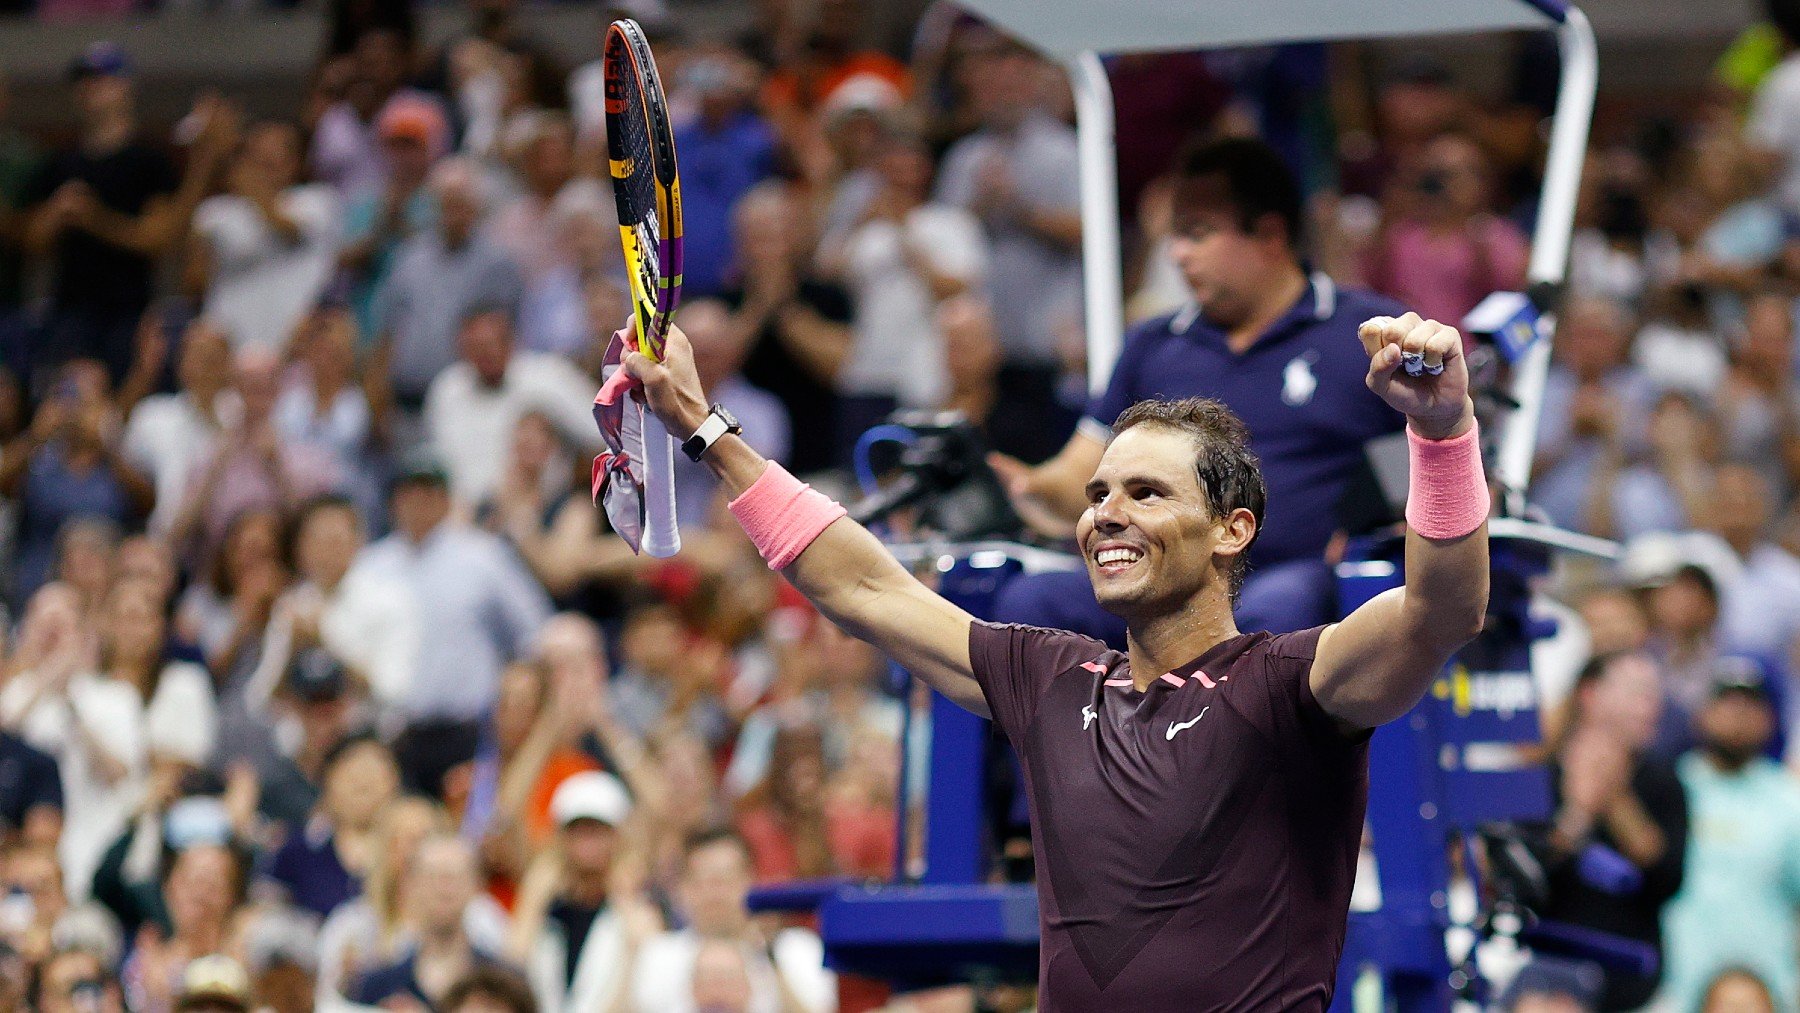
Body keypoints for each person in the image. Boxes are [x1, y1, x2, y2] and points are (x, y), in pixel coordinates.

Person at [620, 296, 1489, 1007]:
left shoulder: (1287, 684)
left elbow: (1440, 609)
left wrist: (1443, 431)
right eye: (1098, 492)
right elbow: (865, 587)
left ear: (1233, 530)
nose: (1105, 513)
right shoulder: (1051, 677)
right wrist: (701, 424)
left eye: (1146, 492)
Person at [988, 136, 1407, 645]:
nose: (1177, 254)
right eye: (1174, 235)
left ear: (1270, 234)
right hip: (1155, 576)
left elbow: (1426, 464)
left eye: (1197, 233)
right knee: (1031, 602)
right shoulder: (1152, 344)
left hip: (1296, 579)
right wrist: (1025, 485)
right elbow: (1079, 471)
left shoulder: (1364, 334)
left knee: (1278, 607)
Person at [1536, 651, 1688, 1011]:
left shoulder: (1662, 780)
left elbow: (1668, 881)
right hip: (1548, 986)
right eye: (1638, 693)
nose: (1651, 707)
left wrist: (1615, 797)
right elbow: (1526, 878)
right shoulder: (1542, 777)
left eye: (1655, 695)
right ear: (1590, 694)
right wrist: (1577, 813)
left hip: (1637, 988)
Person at [1660, 676, 1800, 1012]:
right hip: (1676, 986)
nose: (1737, 717)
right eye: (1727, 704)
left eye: (1751, 707)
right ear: (1703, 713)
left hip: (1766, 988)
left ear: (1770, 719)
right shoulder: (1670, 787)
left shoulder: (1789, 799)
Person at [630, 827, 833, 1013]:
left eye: (725, 880)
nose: (714, 893)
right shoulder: (658, 955)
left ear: (752, 881)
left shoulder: (796, 949)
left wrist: (771, 958)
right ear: (682, 888)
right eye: (702, 880)